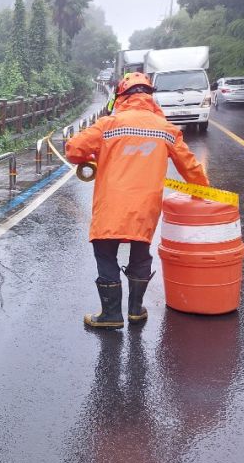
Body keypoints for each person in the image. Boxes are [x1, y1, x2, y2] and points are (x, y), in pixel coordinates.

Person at [65, 72, 209, 328]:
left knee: (105, 254)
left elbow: (74, 150)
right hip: (145, 206)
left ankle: (110, 314)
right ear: (150, 96)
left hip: (111, 205)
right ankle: (135, 310)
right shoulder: (166, 129)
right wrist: (203, 193)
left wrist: (93, 156)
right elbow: (191, 168)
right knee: (140, 255)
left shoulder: (108, 124)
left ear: (121, 96)